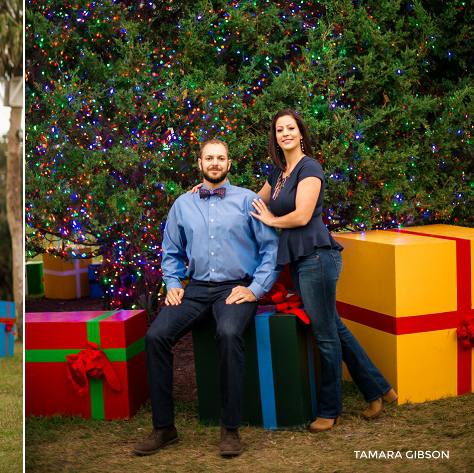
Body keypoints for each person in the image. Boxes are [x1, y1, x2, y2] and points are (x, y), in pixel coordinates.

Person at [249, 109, 396, 431]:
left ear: (300, 133)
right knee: (334, 327)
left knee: (325, 335)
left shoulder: (309, 167)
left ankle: (330, 410)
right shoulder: (277, 175)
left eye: (291, 128)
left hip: (317, 256)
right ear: (274, 137)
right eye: (279, 129)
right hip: (301, 259)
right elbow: (249, 202)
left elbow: (301, 216)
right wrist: (205, 193)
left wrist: (272, 221)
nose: (285, 133)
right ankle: (380, 388)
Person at [132, 139, 279, 458]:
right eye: (209, 158)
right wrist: (173, 282)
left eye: (221, 158)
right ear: (199, 163)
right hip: (196, 289)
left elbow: (270, 249)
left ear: (229, 163)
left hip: (236, 287)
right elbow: (171, 252)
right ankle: (164, 428)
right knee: (156, 336)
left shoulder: (248, 201)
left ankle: (230, 429)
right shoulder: (182, 205)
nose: (215, 162)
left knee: (227, 334)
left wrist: (254, 289)